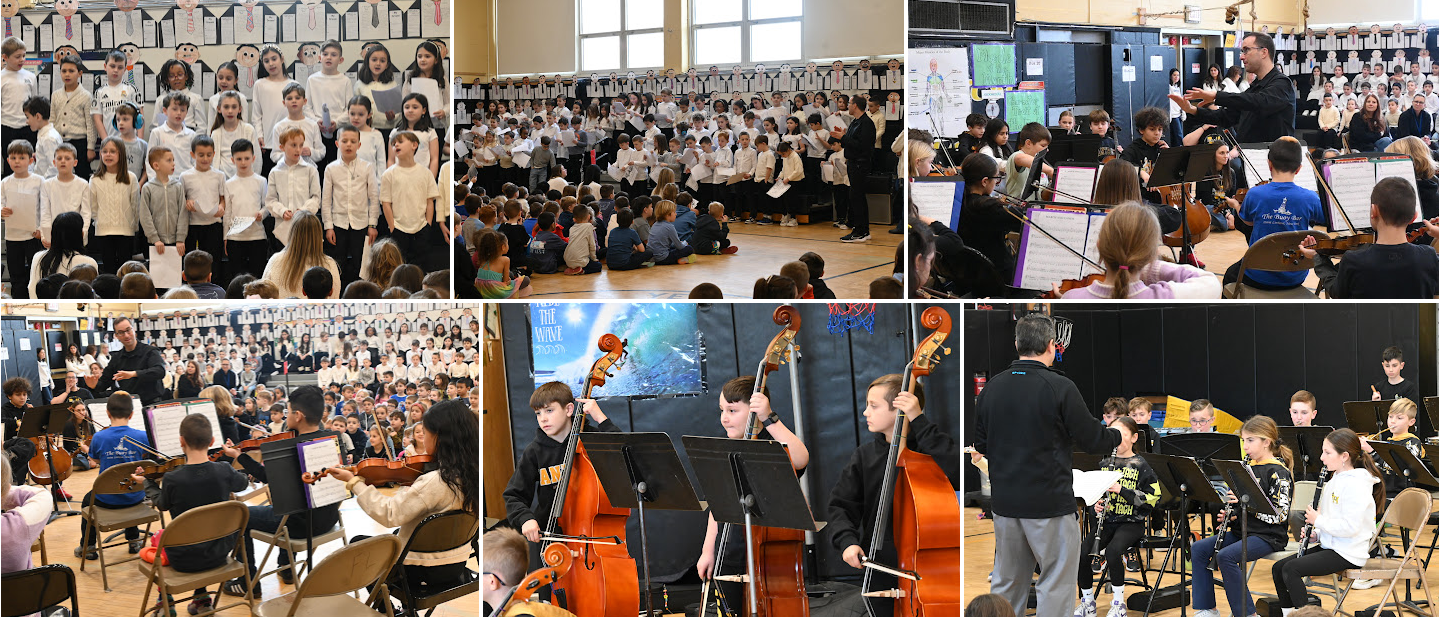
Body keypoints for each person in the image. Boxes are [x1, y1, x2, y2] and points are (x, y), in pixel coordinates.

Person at [973, 313, 1122, 617]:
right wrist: (1118, 434)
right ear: (1052, 345)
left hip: (1005, 506)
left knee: (1006, 585)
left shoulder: (991, 388)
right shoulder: (1060, 386)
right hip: (1048, 504)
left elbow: (982, 445)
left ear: (1017, 344)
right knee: (1054, 584)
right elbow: (1093, 439)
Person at [828, 374, 959, 617]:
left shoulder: (930, 453)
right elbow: (840, 506)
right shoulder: (864, 456)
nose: (866, 412)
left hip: (927, 571)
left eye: (873, 406)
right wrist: (847, 541)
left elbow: (957, 470)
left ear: (900, 408)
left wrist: (917, 419)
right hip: (878, 565)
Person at [327, 400, 476, 590]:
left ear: (439, 437)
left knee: (358, 545)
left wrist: (354, 482)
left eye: (426, 433)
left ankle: (385, 609)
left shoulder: (435, 481)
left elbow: (390, 514)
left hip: (417, 568)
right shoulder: (474, 474)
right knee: (395, 536)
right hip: (456, 564)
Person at [697, 376, 811, 612]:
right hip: (728, 553)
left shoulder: (773, 446)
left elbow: (801, 458)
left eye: (732, 410)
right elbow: (718, 506)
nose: (724, 418)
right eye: (722, 410)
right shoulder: (725, 451)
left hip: (763, 558)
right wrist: (708, 550)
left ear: (755, 409)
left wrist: (768, 417)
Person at [219, 386, 341, 597]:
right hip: (328, 518)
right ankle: (287, 569)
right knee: (291, 500)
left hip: (301, 525)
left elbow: (267, 478)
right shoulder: (332, 439)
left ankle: (247, 582)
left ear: (299, 416)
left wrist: (239, 456)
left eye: (289, 411)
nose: (286, 414)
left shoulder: (291, 448)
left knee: (240, 514)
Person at [136, 413, 249, 615]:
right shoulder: (223, 470)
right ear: (213, 441)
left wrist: (147, 482)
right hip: (220, 552)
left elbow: (162, 504)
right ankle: (202, 598)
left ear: (181, 442)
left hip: (183, 558)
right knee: (200, 534)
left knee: (158, 539)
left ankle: (165, 602)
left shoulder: (172, 478)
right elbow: (243, 482)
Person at [1267, 429, 1381, 617]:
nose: (1321, 457)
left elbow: (1350, 528)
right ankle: (1289, 614)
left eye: (1327, 453)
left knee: (1291, 569)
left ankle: (1306, 615)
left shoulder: (1357, 485)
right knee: (1278, 568)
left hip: (1349, 552)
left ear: (1344, 456)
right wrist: (1317, 534)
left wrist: (1317, 520)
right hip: (1332, 545)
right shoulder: (1336, 478)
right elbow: (1333, 520)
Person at [1188, 415, 1294, 617]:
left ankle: (1246, 613)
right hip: (1243, 532)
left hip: (1268, 536)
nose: (1245, 446)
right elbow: (1243, 508)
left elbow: (1279, 516)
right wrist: (1233, 514)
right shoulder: (1246, 468)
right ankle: (1207, 608)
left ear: (1267, 442)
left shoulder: (1278, 472)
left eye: (1250, 440)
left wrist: (1246, 505)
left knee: (1225, 556)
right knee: (1200, 548)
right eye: (1243, 440)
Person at [502, 382, 621, 544]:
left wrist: (601, 418)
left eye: (549, 410)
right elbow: (513, 495)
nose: (543, 419)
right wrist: (525, 519)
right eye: (538, 413)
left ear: (569, 410)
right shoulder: (534, 452)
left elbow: (624, 456)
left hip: (593, 536)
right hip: (551, 540)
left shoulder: (591, 440)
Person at [1074, 416, 1160, 617]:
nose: (1117, 440)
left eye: (1122, 436)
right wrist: (1096, 505)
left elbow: (1153, 499)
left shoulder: (1141, 465)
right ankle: (1088, 601)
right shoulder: (1105, 463)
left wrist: (1122, 490)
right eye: (1113, 436)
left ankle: (1118, 604)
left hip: (1132, 523)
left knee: (1113, 552)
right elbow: (1095, 495)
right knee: (1082, 553)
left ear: (1134, 438)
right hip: (1108, 521)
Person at [1302, 176, 1439, 298]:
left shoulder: (1354, 260)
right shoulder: (1428, 256)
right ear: (1414, 217)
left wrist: (1318, 258)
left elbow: (1336, 292)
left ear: (1374, 211)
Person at [1060, 203, 1219, 299]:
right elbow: (1210, 282)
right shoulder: (1162, 298)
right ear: (1153, 253)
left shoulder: (1071, 297)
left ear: (1099, 245)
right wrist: (1151, 266)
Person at [1225, 138, 1325, 291]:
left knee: (1230, 275)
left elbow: (1248, 222)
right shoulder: (1310, 198)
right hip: (1295, 274)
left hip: (1258, 275)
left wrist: (1237, 206)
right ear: (1298, 169)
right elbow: (1327, 220)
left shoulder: (1255, 194)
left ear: (1269, 164)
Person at [1172, 32, 1296, 142]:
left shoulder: (1282, 83)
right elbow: (1225, 116)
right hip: (1250, 160)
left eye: (1246, 50)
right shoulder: (1254, 88)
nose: (1241, 56)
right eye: (1242, 51)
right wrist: (1192, 110)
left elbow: (1258, 101)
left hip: (1274, 162)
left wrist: (1216, 96)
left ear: (1264, 52)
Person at [77, 392, 150, 560]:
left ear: (108, 413)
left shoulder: (100, 437)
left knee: (88, 501)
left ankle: (87, 546)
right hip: (136, 495)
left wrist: (88, 450)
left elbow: (94, 459)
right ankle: (133, 540)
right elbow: (146, 459)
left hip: (107, 498)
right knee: (129, 484)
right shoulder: (142, 436)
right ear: (132, 414)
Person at [323, 124, 379, 287]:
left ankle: (361, 293)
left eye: (353, 141)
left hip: (361, 223)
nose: (348, 144)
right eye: (344, 141)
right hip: (338, 223)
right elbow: (326, 200)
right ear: (337, 144)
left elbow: (373, 198)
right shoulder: (330, 168)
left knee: (360, 265)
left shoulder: (367, 167)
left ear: (359, 145)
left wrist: (372, 224)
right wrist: (328, 227)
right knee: (337, 264)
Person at [381, 131, 441, 265]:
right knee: (400, 267)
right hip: (398, 228)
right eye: (394, 143)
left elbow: (429, 201)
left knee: (421, 266)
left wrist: (428, 224)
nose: (396, 145)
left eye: (400, 142)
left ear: (414, 145)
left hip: (421, 228)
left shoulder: (425, 173)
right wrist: (392, 227)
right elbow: (386, 203)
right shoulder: (388, 174)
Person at [266, 127, 322, 250]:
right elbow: (270, 200)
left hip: (305, 227)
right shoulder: (275, 172)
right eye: (293, 145)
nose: (298, 149)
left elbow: (316, 198)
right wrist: (282, 211)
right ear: (282, 147)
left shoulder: (310, 170)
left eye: (301, 145)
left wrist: (302, 211)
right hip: (283, 229)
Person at [2, 140, 44, 298]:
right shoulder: (5, 183)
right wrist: (2, 210)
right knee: (16, 275)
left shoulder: (39, 181)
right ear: (7, 161)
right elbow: (1, 202)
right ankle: (19, 302)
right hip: (13, 236)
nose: (17, 161)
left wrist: (41, 229)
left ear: (31, 160)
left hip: (33, 234)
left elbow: (45, 206)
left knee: (36, 273)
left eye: (21, 157)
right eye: (13, 158)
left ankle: (36, 300)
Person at [223, 139, 269, 280]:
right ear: (232, 160)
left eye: (247, 158)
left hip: (257, 236)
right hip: (236, 237)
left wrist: (261, 213)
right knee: (237, 278)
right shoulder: (229, 183)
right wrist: (226, 237)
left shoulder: (261, 181)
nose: (243, 162)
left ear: (253, 158)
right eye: (239, 159)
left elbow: (267, 205)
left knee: (257, 277)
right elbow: (227, 213)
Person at [95, 317, 166, 404]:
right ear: (116, 336)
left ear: (134, 330)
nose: (126, 335)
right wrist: (93, 384)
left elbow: (160, 371)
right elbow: (104, 384)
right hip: (129, 406)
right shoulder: (117, 358)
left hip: (152, 404)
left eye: (128, 330)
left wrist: (134, 374)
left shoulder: (150, 351)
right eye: (121, 333)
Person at [834, 94, 876, 242]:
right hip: (853, 162)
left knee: (857, 197)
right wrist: (843, 136)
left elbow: (863, 146)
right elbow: (850, 143)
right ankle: (862, 230)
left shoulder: (866, 123)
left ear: (855, 105)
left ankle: (860, 231)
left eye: (850, 103)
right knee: (856, 197)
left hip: (860, 164)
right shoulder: (854, 122)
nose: (848, 106)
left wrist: (843, 138)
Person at [28, 211, 97, 299]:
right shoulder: (88, 262)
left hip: (41, 309)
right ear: (80, 234)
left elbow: (32, 290)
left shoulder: (38, 257)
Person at [1003, 123, 1053, 199]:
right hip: (1018, 209)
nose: (1047, 150)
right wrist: (1051, 171)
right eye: (1043, 146)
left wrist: (1052, 185)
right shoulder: (1017, 156)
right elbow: (1020, 158)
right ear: (1028, 143)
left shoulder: (1042, 164)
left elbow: (1042, 196)